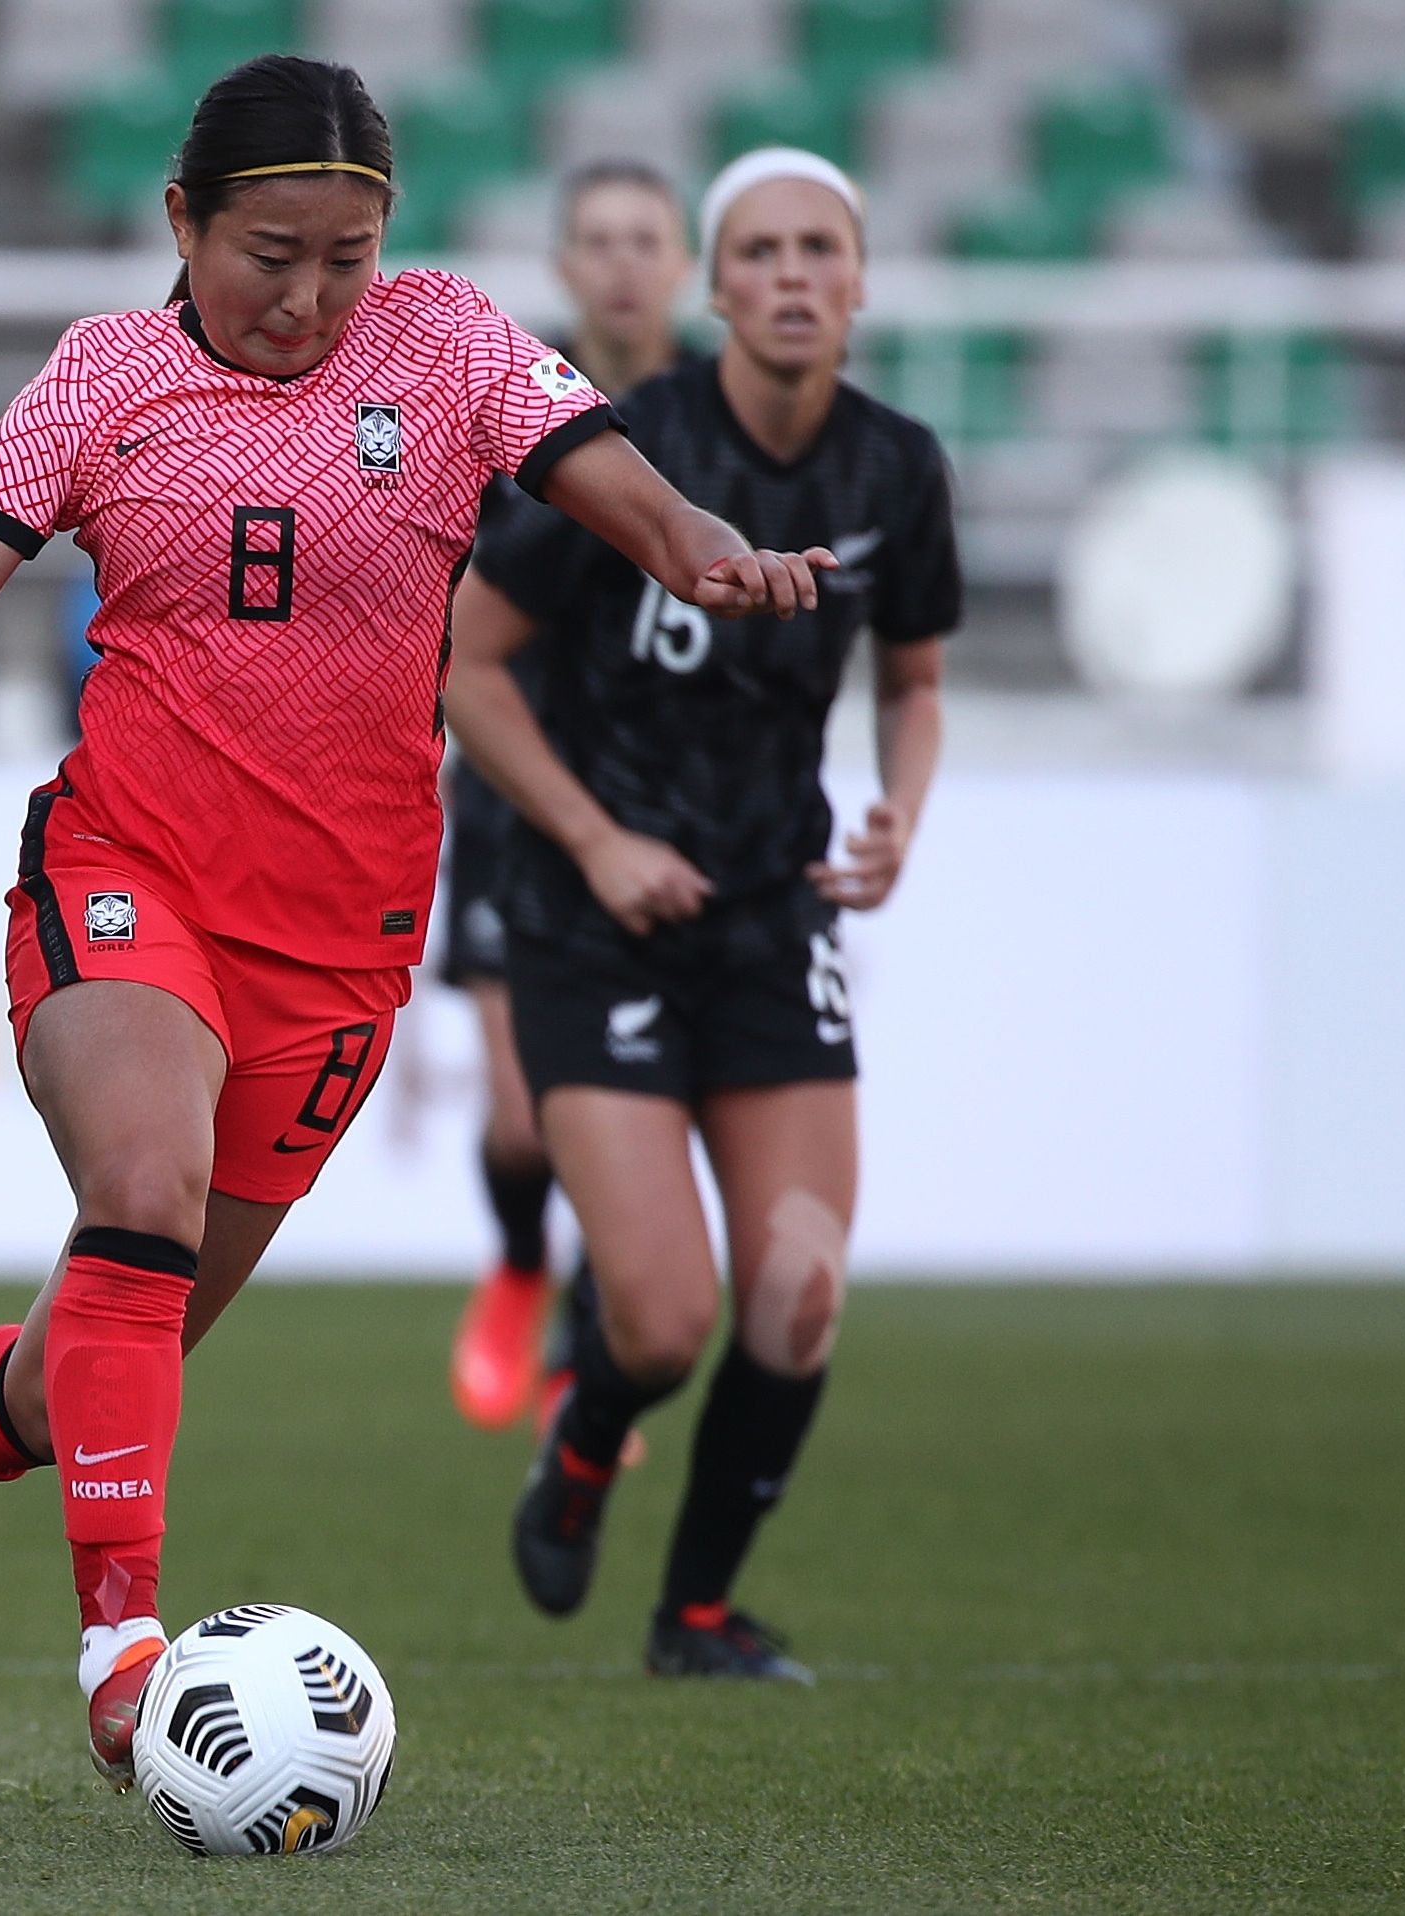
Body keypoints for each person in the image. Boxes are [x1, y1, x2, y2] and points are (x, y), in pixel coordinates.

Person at [0, 54, 831, 1784]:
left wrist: (697, 546)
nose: (307, 296)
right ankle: (127, 1654)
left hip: (341, 942)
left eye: (344, 257)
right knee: (141, 1191)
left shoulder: (441, 343)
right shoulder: (102, 379)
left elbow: (614, 473)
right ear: (180, 223)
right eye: (269, 252)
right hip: (124, 868)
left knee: (78, 1388)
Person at [450, 149, 957, 1680]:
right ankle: (588, 1435)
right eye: (763, 252)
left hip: (769, 909)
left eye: (822, 250)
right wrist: (597, 842)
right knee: (662, 1320)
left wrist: (897, 822)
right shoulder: (626, 452)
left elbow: (915, 679)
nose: (794, 275)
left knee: (797, 1299)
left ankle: (695, 1614)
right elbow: (466, 661)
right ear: (713, 286)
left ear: (859, 282)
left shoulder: (893, 469)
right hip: (590, 915)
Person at [446, 159, 698, 1434]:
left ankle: (593, 1341)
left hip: (669, 801)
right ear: (561, 263)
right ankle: (517, 1264)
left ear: (682, 263)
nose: (618, 261)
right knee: (520, 1116)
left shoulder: (721, 419)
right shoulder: (503, 406)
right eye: (593, 238)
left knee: (634, 1100)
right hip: (515, 785)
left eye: (642, 238)